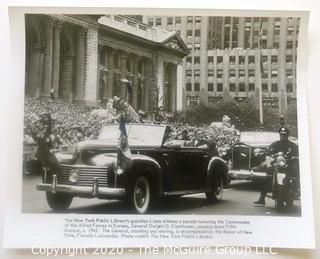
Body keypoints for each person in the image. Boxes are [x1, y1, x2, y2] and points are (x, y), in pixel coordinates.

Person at [253, 127, 299, 205]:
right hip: (277, 164)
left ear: (287, 135)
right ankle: (262, 198)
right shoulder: (275, 144)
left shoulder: (292, 145)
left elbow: (297, 153)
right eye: (281, 134)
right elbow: (268, 150)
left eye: (284, 135)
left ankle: (296, 190)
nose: (283, 136)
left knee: (296, 171)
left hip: (288, 164)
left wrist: (295, 157)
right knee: (268, 175)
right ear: (280, 135)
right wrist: (265, 153)